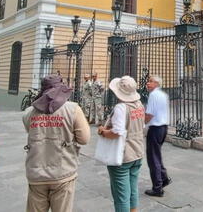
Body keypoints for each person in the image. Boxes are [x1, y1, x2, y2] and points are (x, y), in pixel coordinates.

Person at [22, 75, 91, 212]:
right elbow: (84, 139)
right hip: (63, 171)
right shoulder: (73, 109)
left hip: (36, 172)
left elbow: (29, 129)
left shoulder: (29, 112)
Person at [97, 76, 145, 212]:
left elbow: (117, 132)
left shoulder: (121, 107)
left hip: (123, 156)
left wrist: (103, 132)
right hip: (137, 152)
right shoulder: (139, 105)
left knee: (121, 195)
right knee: (133, 189)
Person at [144, 75, 171, 197]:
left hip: (155, 129)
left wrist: (142, 123)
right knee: (157, 155)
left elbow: (149, 114)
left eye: (150, 81)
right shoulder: (163, 94)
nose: (147, 83)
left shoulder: (153, 95)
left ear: (157, 83)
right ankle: (164, 178)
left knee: (152, 158)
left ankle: (157, 188)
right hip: (164, 128)